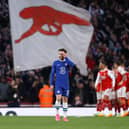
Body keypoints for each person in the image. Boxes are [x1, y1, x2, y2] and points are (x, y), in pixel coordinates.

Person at [50, 48, 75, 122]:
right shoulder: (55, 62)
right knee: (58, 98)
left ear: (64, 54)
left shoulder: (67, 62)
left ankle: (65, 116)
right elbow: (52, 74)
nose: (59, 55)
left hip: (66, 84)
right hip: (58, 84)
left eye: (61, 54)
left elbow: (73, 65)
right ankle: (57, 114)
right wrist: (51, 83)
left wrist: (66, 58)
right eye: (59, 54)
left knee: (65, 100)